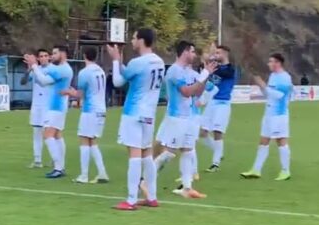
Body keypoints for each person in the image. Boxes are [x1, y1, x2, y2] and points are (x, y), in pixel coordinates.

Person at [107, 29, 165, 211]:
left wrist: (115, 60)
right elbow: (132, 75)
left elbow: (118, 82)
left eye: (134, 38)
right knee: (147, 154)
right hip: (149, 113)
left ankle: (131, 200)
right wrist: (120, 62)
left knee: (134, 155)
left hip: (133, 112)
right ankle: (152, 197)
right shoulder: (159, 61)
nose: (132, 41)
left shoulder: (138, 62)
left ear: (141, 40)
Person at [152, 41, 215, 198]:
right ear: (185, 52)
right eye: (192, 51)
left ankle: (187, 188)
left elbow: (198, 92)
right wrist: (203, 75)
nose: (194, 55)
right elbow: (186, 92)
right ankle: (146, 179)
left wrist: (206, 75)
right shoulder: (174, 71)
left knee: (187, 151)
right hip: (176, 117)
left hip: (189, 118)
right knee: (169, 153)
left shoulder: (189, 72)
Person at [241, 53, 294, 181]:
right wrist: (261, 86)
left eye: (271, 61)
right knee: (263, 141)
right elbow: (268, 94)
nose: (269, 64)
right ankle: (256, 169)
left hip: (279, 115)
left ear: (278, 63)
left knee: (281, 141)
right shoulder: (273, 76)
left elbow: (280, 96)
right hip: (269, 114)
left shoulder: (285, 78)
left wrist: (263, 85)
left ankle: (285, 171)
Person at [24, 45, 74, 179]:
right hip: (57, 106)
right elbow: (42, 81)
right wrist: (33, 67)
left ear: (63, 54)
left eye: (55, 53)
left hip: (55, 106)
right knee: (57, 135)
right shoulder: (61, 68)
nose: (52, 56)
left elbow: (44, 81)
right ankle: (60, 166)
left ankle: (58, 167)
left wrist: (34, 65)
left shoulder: (63, 69)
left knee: (48, 135)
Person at [62, 47, 109, 185]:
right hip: (101, 109)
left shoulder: (85, 72)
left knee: (84, 139)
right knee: (92, 141)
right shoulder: (100, 71)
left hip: (90, 110)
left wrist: (69, 92)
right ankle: (102, 172)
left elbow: (80, 94)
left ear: (84, 56)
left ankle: (84, 175)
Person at [200, 45, 236, 173]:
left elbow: (221, 72)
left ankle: (215, 164)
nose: (216, 55)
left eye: (218, 53)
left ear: (225, 54)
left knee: (217, 132)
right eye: (215, 53)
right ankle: (219, 153)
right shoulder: (215, 67)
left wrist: (210, 60)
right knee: (202, 133)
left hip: (222, 103)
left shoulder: (230, 69)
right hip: (211, 102)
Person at [21, 49, 50, 168]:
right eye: (41, 56)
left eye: (45, 56)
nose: (43, 58)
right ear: (38, 58)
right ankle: (37, 160)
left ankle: (56, 159)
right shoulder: (35, 70)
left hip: (48, 106)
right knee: (36, 132)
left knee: (49, 134)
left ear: (49, 57)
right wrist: (29, 69)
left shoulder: (52, 70)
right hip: (37, 105)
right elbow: (23, 82)